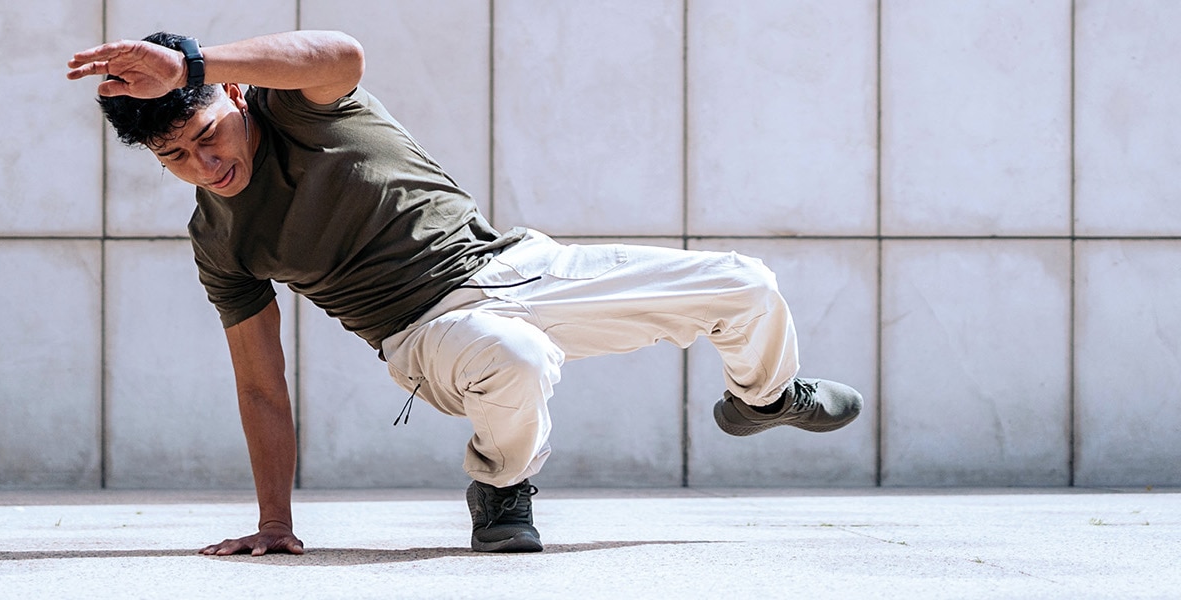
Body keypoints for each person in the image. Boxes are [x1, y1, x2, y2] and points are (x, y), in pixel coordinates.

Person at [65, 30, 863, 555]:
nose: (206, 165)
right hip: (426, 337)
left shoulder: (300, 108)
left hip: (522, 269)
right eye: (176, 158)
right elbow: (259, 382)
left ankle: (762, 399)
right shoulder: (219, 240)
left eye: (207, 135)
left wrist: (194, 66)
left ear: (232, 97)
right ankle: (501, 487)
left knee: (745, 284)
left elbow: (339, 51)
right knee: (515, 357)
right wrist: (275, 523)